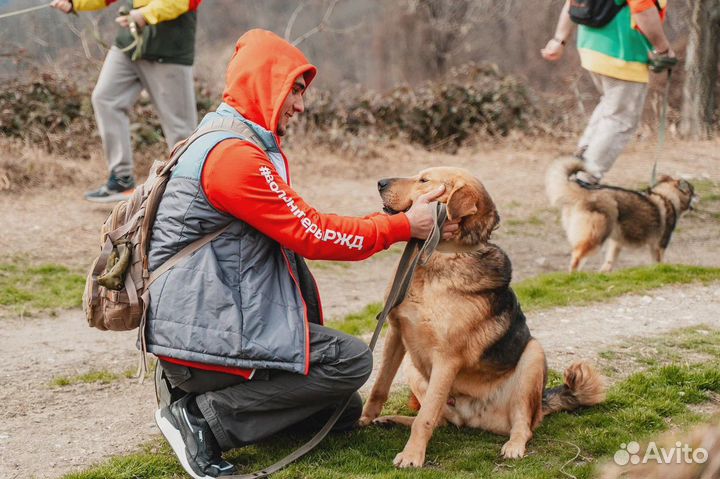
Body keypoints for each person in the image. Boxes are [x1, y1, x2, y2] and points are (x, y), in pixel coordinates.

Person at [146, 29, 460, 478]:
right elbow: (312, 234)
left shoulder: (224, 137)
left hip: (200, 321)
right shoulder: (233, 158)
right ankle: (199, 419)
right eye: (294, 89)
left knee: (340, 409)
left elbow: (299, 227)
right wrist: (402, 226)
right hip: (203, 332)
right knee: (350, 361)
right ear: (264, 84)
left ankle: (200, 392)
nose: (301, 104)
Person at [50, 0, 200, 202]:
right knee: (105, 98)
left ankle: (189, 191)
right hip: (129, 42)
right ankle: (121, 180)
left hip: (169, 49)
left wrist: (145, 15)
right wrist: (75, 3)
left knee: (180, 127)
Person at [541, 0, 675, 185]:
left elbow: (572, 3)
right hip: (622, 53)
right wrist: (663, 49)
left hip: (591, 47)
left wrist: (559, 39)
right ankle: (585, 180)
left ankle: (576, 166)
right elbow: (643, 9)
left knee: (610, 107)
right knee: (620, 119)